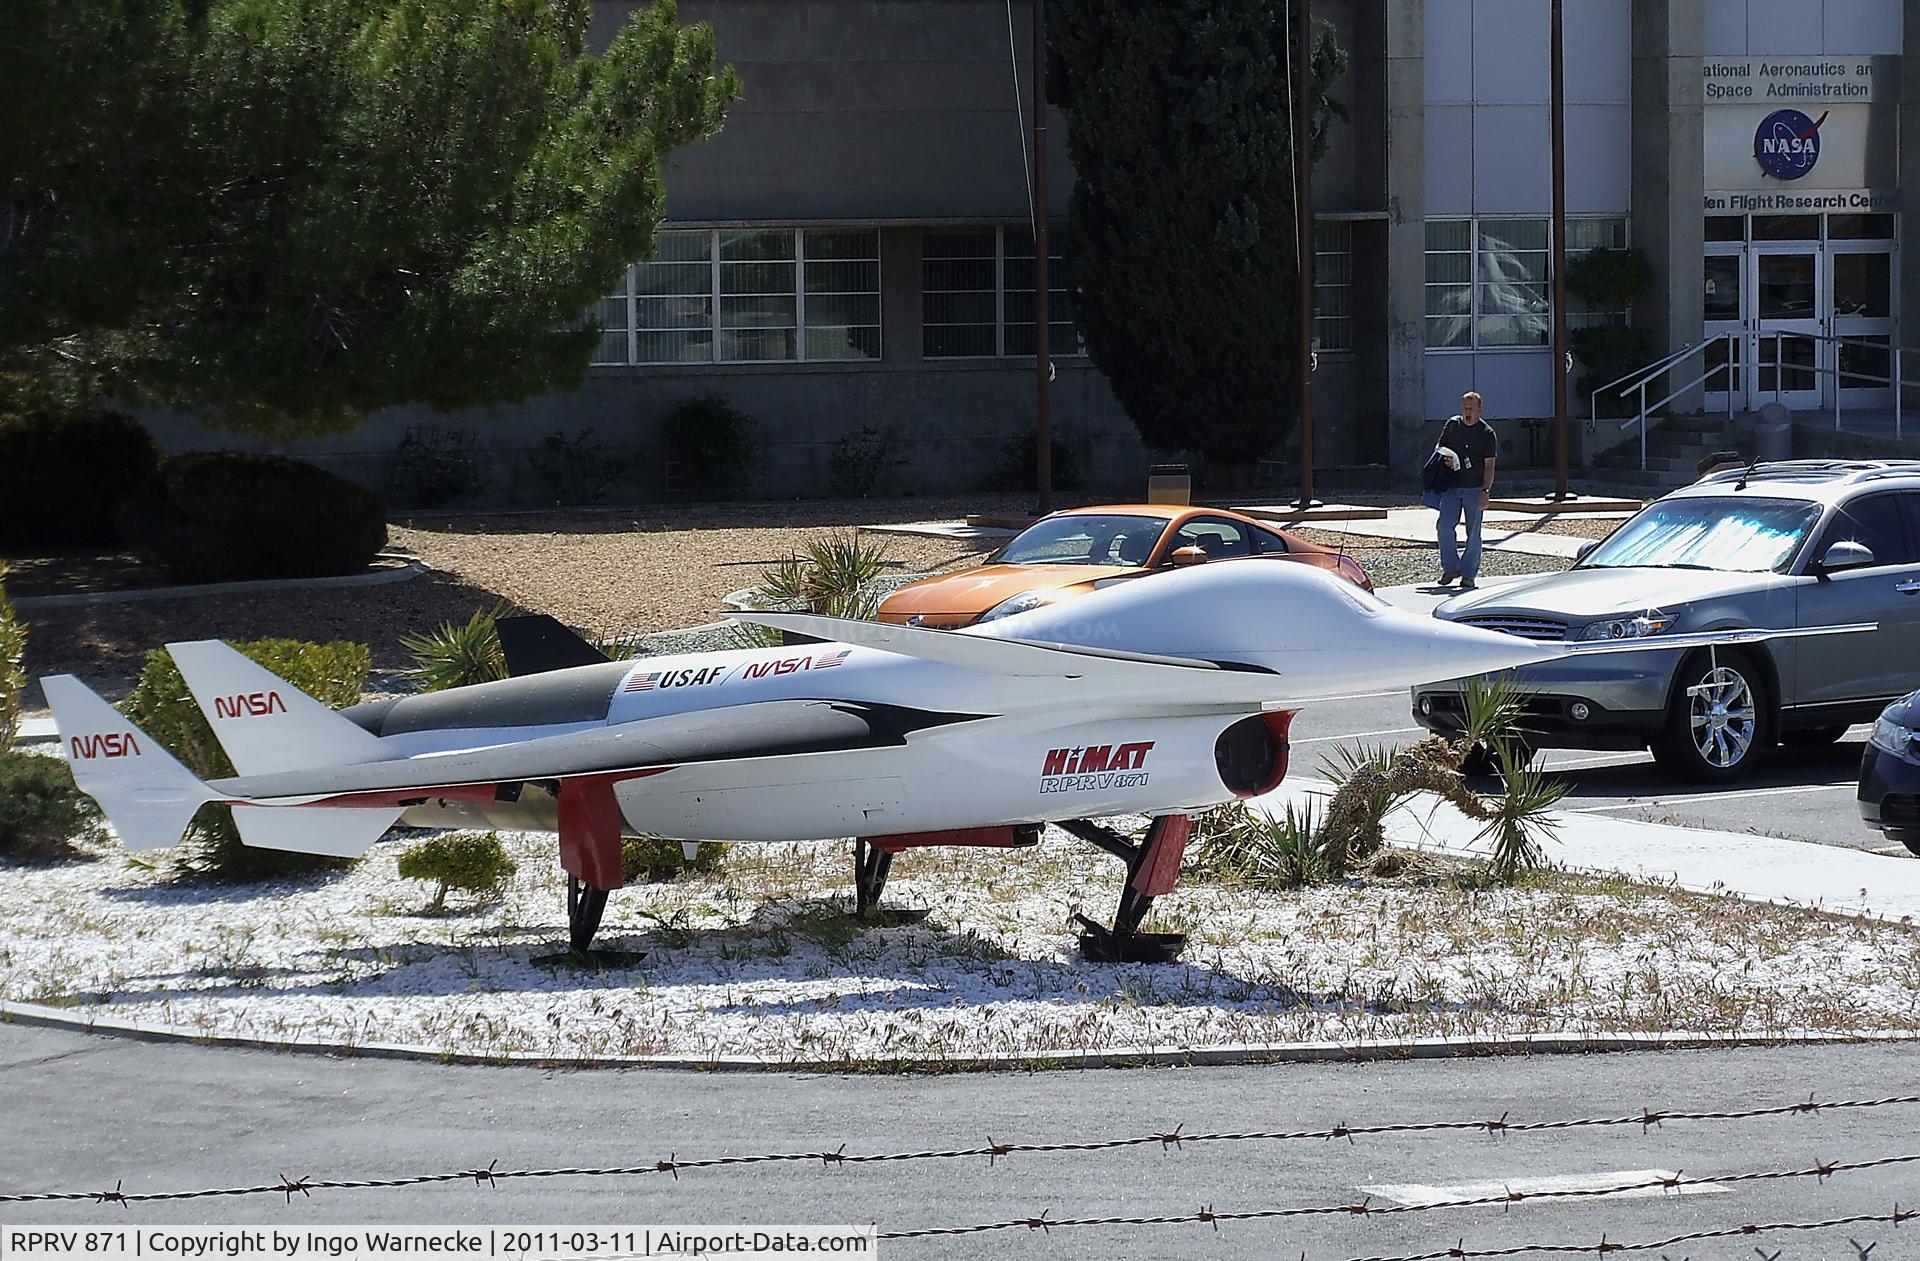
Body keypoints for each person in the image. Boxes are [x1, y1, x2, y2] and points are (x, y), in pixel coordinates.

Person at [1434, 391, 1497, 590]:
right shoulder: (1452, 426)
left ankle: (1468, 574)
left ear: (1480, 409)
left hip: (1475, 488)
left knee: (1473, 532)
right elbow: (1440, 447)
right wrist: (1446, 459)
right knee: (1444, 526)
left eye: (1471, 408)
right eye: (1464, 408)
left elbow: (1489, 465)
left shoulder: (1487, 434)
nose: (1467, 412)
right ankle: (1451, 567)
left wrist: (1486, 490)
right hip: (1452, 486)